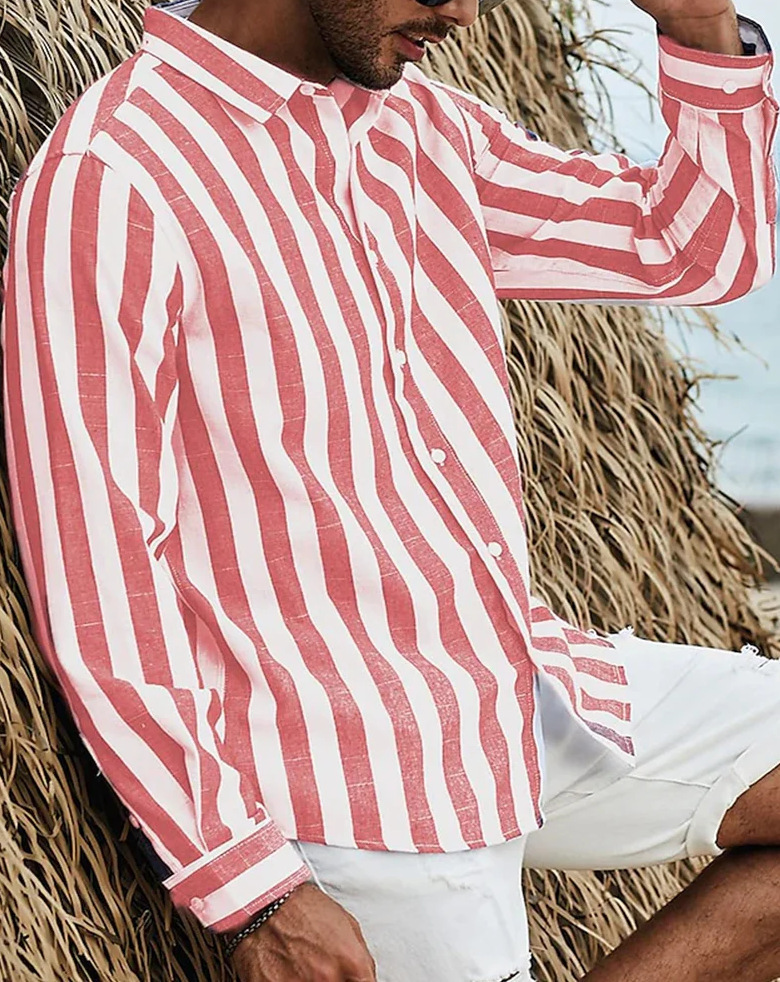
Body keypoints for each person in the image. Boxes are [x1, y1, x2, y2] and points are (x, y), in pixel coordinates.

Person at [1, 0, 778, 978]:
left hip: (514, 695)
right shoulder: (116, 179)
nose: (464, 11)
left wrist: (701, 26)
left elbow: (692, 247)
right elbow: (100, 581)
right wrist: (251, 890)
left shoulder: (424, 128)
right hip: (349, 783)